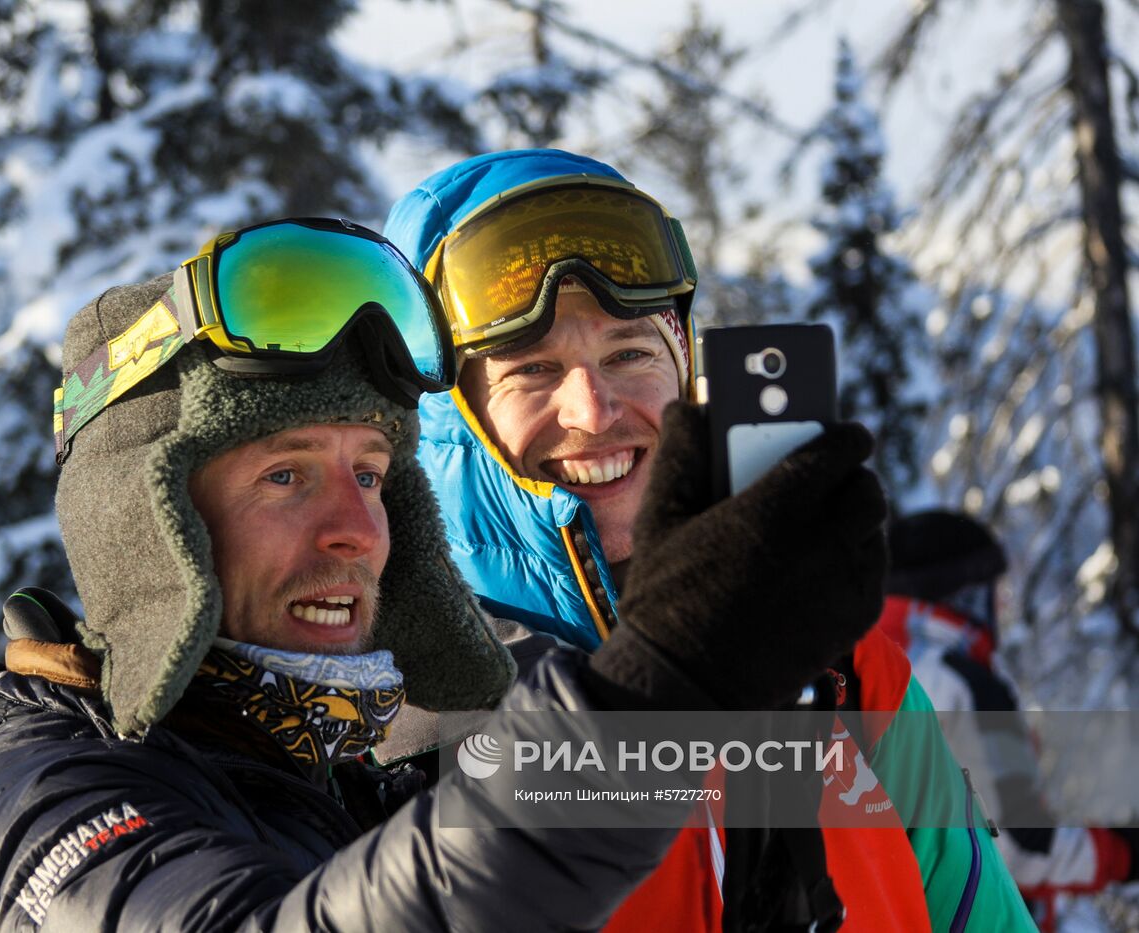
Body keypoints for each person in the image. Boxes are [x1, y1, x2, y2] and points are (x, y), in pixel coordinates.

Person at [0, 217, 883, 931]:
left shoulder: (335, 775)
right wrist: (656, 688)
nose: (358, 528)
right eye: (284, 475)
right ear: (145, 524)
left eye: (370, 473)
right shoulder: (25, 803)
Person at [383, 149, 1035, 931]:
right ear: (450, 418)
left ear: (684, 366)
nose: (594, 409)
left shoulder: (847, 673)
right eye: (532, 370)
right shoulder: (391, 713)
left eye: (628, 353)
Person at [881, 509, 1139, 930]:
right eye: (990, 590)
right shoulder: (968, 684)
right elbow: (1019, 846)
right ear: (960, 593)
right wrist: (1122, 851)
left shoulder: (852, 672)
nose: (1000, 604)